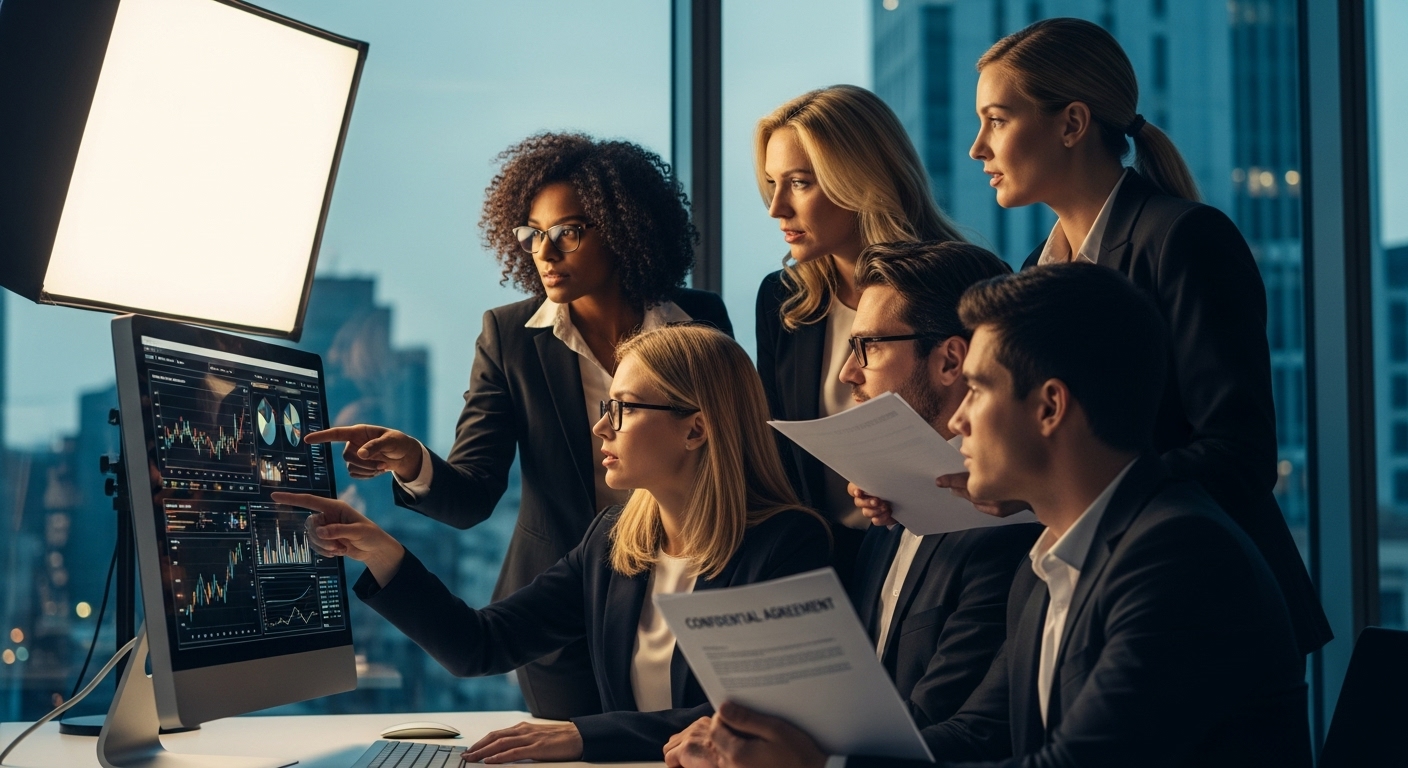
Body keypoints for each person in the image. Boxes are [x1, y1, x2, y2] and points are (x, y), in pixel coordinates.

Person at [665, 264, 1312, 768]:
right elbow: (977, 742)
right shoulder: (1051, 561)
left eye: (977, 389)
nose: (957, 419)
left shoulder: (1178, 559)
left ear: (1050, 407)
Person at [300, 133, 733, 719]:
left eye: (568, 232)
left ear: (625, 227)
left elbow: (731, 449)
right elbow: (472, 497)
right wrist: (412, 462)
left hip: (687, 579)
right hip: (562, 603)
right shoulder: (510, 337)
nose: (545, 253)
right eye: (531, 235)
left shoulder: (699, 320)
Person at [274, 325, 830, 764]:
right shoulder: (612, 541)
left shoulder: (786, 544)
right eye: (605, 405)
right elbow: (481, 645)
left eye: (625, 408)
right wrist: (378, 549)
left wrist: (583, 735)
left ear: (695, 429)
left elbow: (748, 720)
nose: (601, 427)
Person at [957, 17, 1329, 655]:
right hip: (1099, 601)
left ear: (1072, 124)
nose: (977, 149)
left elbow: (1239, 453)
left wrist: (1073, 486)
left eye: (996, 120)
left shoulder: (1184, 239)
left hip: (1204, 606)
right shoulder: (1036, 275)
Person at [753, 85, 965, 584]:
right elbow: (777, 462)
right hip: (815, 566)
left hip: (940, 563)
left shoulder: (963, 285)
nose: (776, 208)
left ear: (861, 180)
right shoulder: (782, 300)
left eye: (800, 183)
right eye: (772, 184)